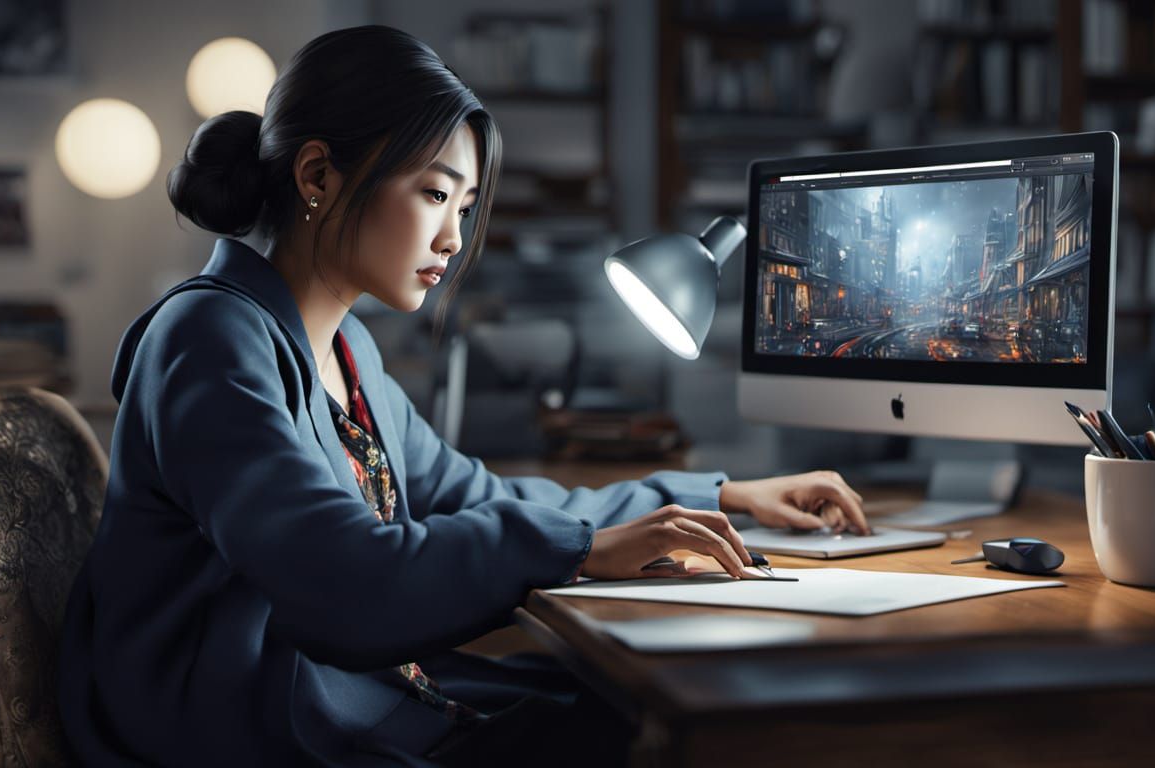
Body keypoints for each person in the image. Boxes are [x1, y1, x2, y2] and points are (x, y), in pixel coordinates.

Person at [56, 25, 869, 767]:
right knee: (663, 727)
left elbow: (479, 496)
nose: (453, 238)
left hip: (346, 695)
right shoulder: (207, 337)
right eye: (435, 194)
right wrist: (579, 549)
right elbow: (340, 581)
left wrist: (714, 496)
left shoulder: (348, 349)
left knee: (648, 706)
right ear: (317, 175)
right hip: (253, 728)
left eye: (467, 206)